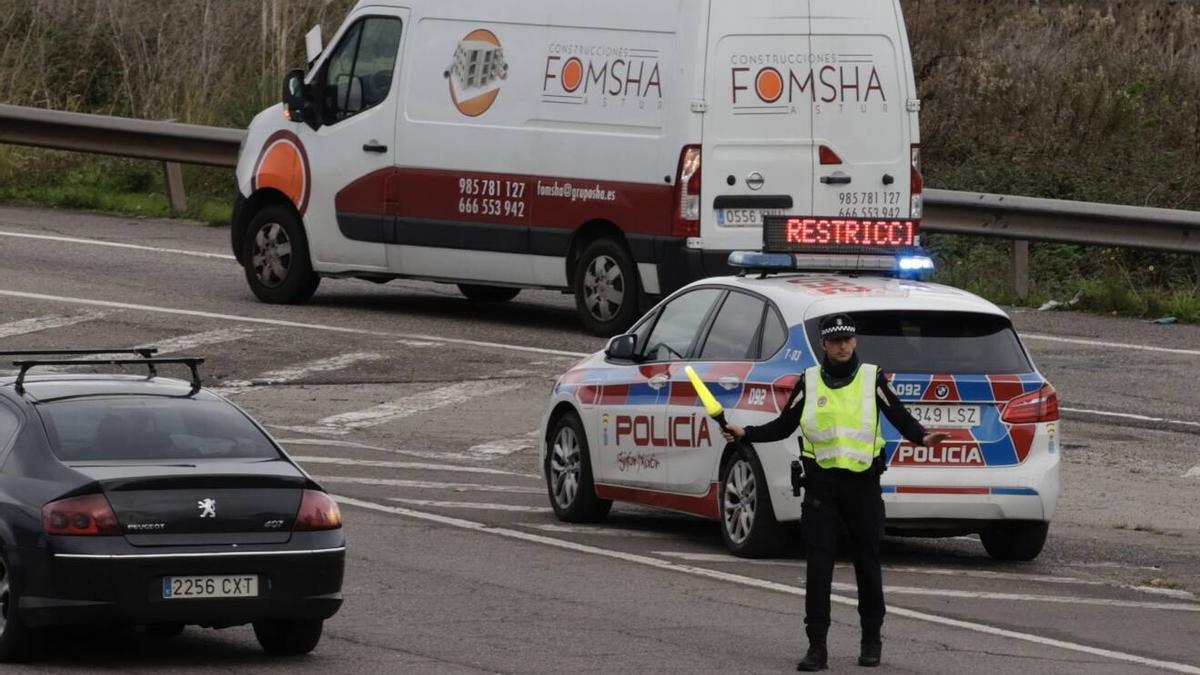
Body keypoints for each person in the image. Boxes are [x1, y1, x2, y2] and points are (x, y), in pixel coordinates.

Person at [723, 313, 947, 671]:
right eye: (835, 341)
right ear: (824, 345)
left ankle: (871, 640)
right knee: (818, 568)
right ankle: (817, 647)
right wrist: (746, 433)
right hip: (821, 488)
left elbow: (898, 414)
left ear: (854, 342)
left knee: (868, 564)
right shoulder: (809, 382)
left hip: (862, 486)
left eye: (847, 340)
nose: (842, 346)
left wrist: (921, 436)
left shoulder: (872, 378)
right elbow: (784, 425)